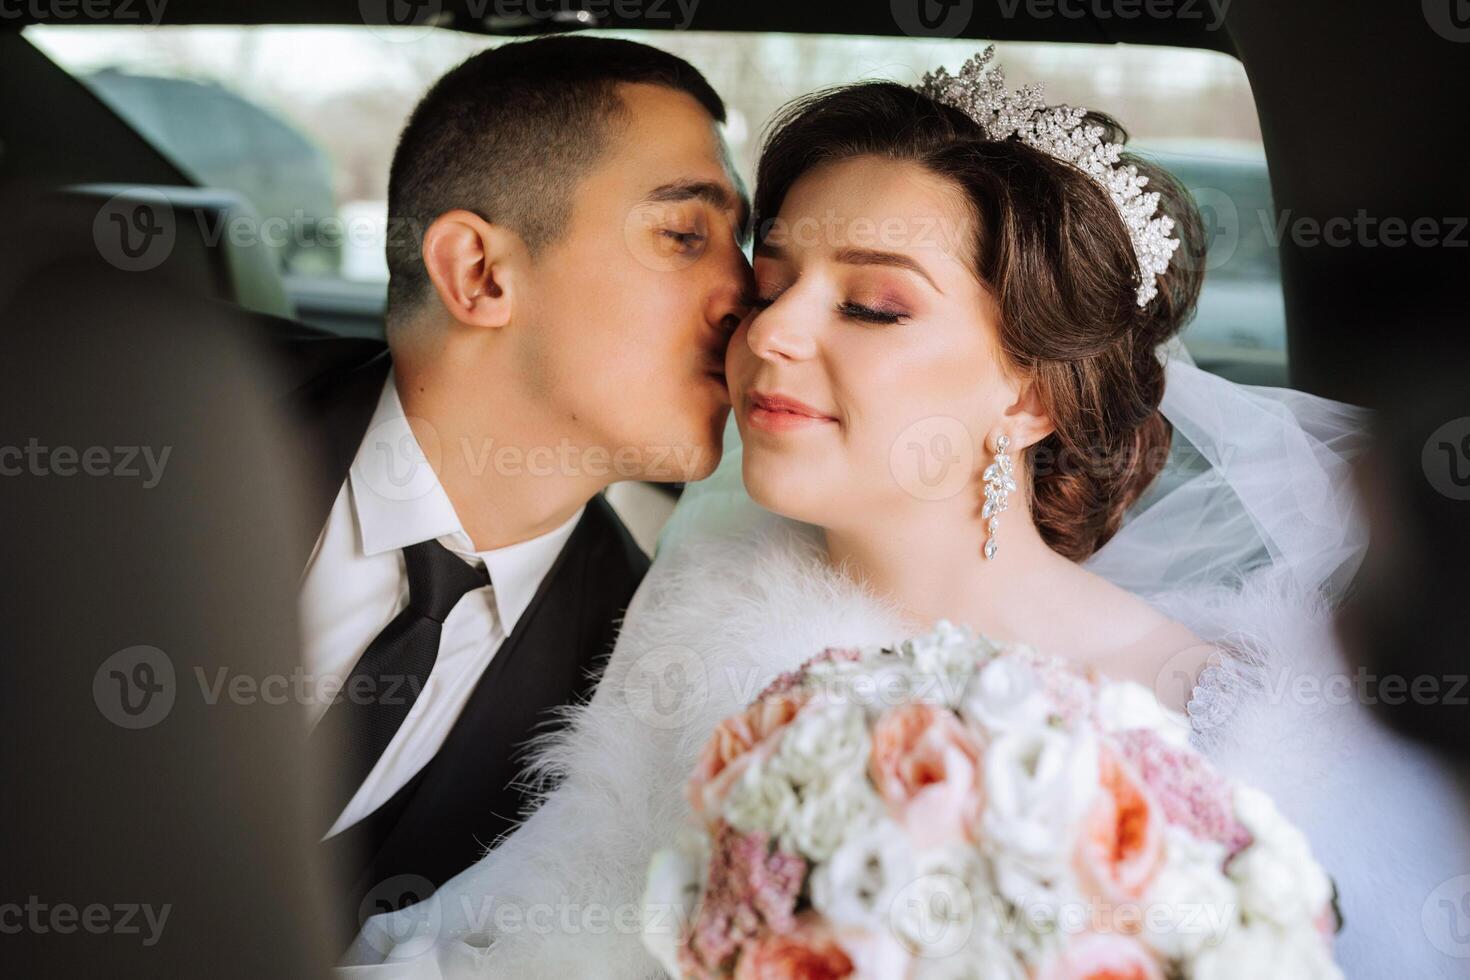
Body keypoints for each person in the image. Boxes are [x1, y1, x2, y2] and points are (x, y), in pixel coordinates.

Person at [344, 50, 1470, 978]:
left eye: (874, 306)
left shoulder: (1233, 727)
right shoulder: (699, 600)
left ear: (1031, 392)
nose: (770, 334)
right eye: (773, 282)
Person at [274, 34, 751, 943]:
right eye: (685, 235)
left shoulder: (637, 677)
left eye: (743, 244)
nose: (744, 295)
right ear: (479, 273)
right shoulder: (146, 417)